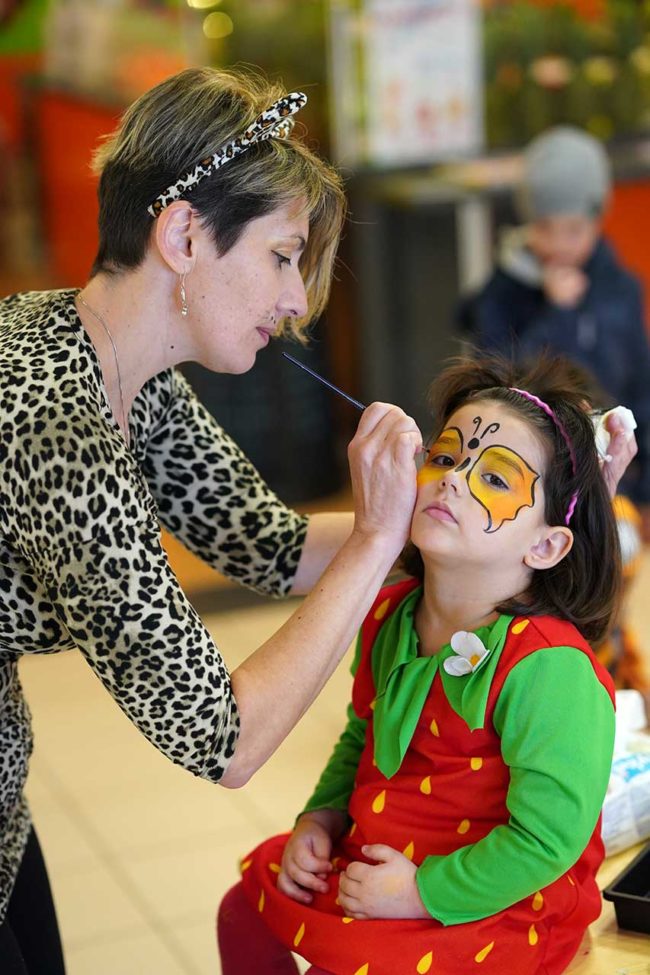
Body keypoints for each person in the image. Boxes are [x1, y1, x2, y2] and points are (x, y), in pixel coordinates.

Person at [0, 67, 424, 973]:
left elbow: (270, 546)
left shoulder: (115, 361)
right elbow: (222, 737)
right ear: (184, 233)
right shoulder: (61, 425)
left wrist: (439, 513)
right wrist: (380, 541)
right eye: (281, 256)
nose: (296, 302)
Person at [218, 353, 622, 975]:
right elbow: (362, 734)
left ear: (546, 545)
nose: (454, 479)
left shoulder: (547, 669)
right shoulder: (388, 611)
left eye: (494, 479)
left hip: (495, 893)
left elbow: (546, 843)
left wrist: (420, 892)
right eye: (445, 457)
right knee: (243, 908)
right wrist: (320, 820)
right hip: (380, 859)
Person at [458, 125, 650, 540]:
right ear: (527, 221)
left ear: (598, 220)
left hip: (614, 478)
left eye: (574, 230)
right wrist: (557, 313)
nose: (560, 244)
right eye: (546, 229)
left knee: (613, 577)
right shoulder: (501, 294)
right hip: (531, 480)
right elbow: (500, 383)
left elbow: (641, 384)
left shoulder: (621, 287)